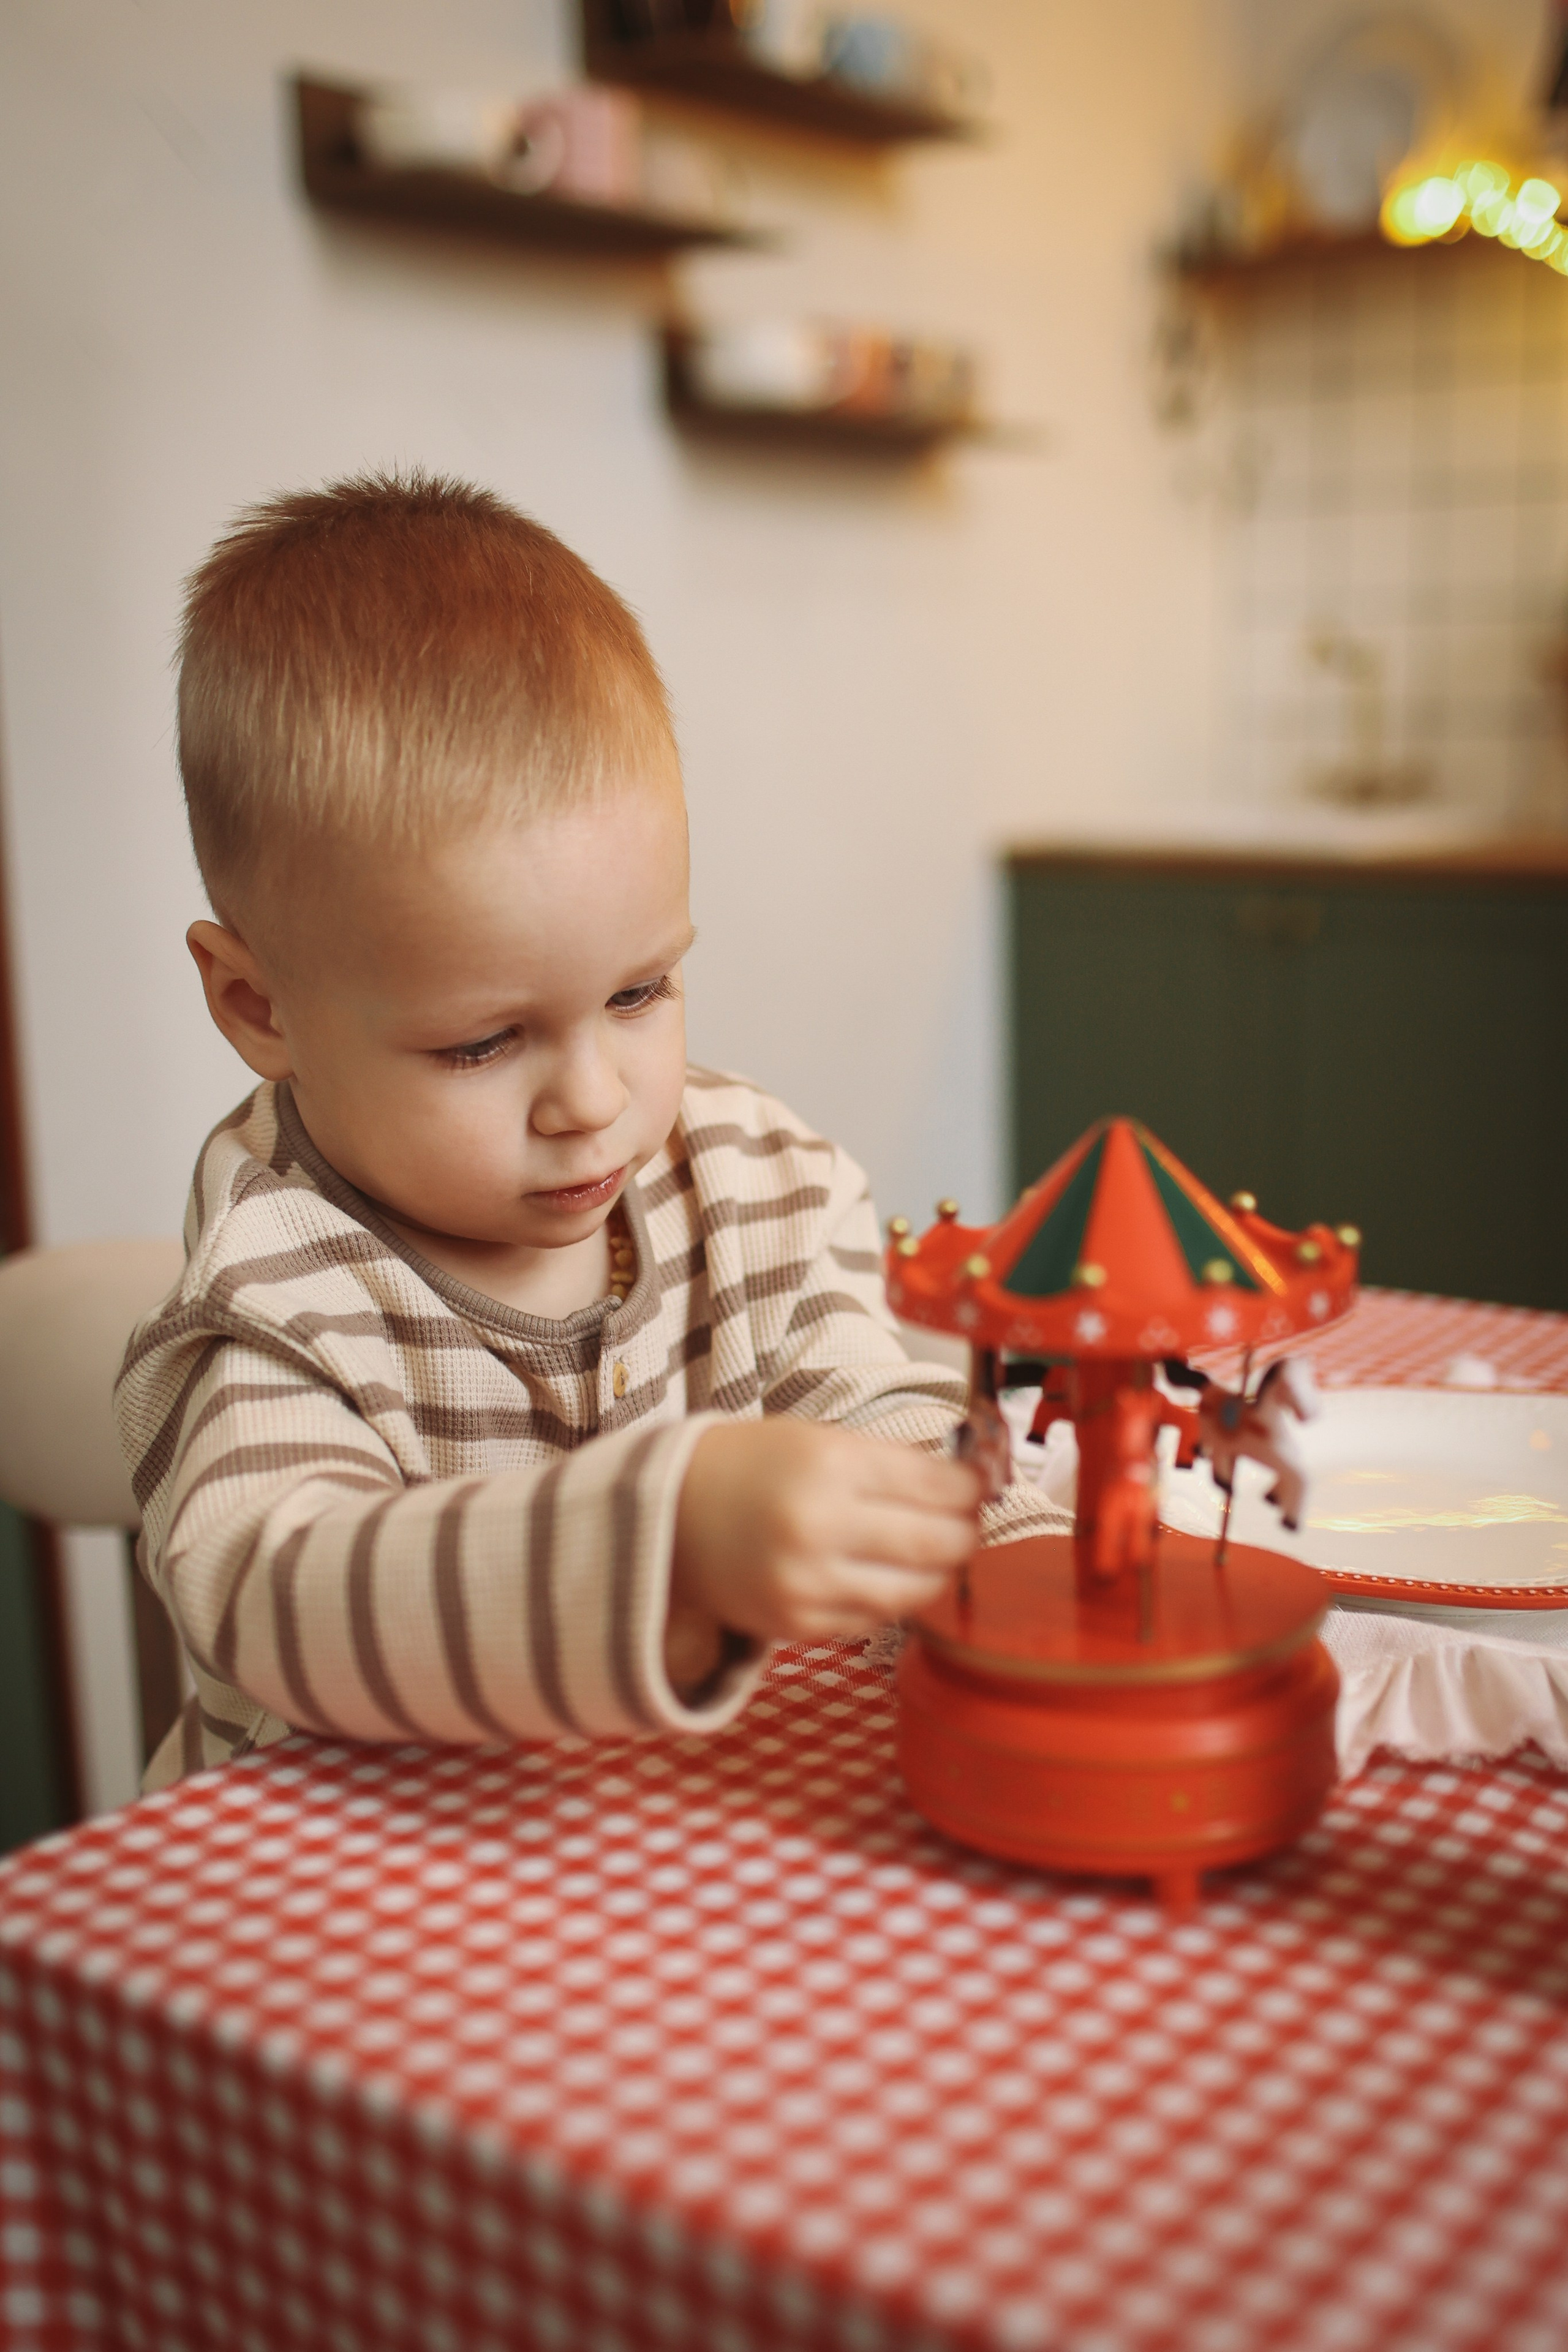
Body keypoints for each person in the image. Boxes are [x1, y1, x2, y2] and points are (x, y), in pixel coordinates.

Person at [116, 470, 1058, 1788]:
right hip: (337, 1882)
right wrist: (665, 1542)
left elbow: (863, 1399)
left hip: (648, 1850)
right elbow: (281, 1594)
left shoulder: (749, 1182)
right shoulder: (272, 1297)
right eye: (482, 1043)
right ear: (259, 1007)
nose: (595, 1101)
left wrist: (1006, 1549)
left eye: (638, 993)